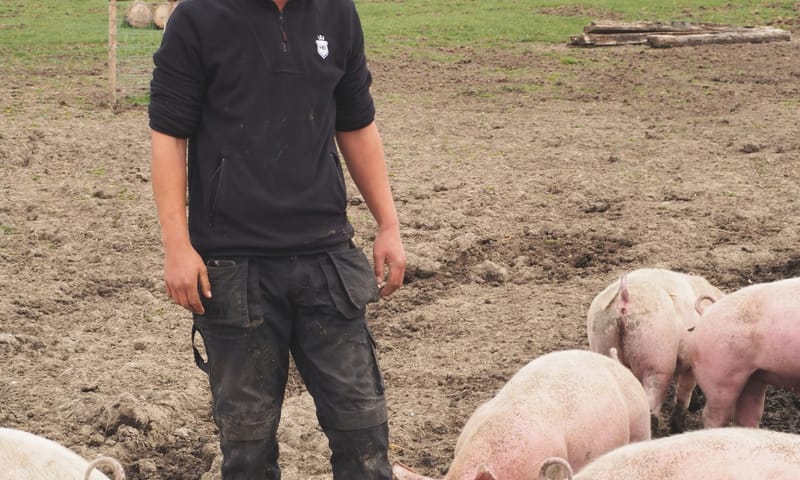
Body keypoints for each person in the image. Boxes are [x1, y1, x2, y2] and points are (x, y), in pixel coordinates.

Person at [147, 0, 406, 478]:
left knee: (363, 432)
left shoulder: (337, 13)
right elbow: (168, 135)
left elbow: (356, 122)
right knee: (246, 446)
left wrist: (387, 223)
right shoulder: (198, 17)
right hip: (233, 270)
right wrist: (176, 245)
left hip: (327, 260)